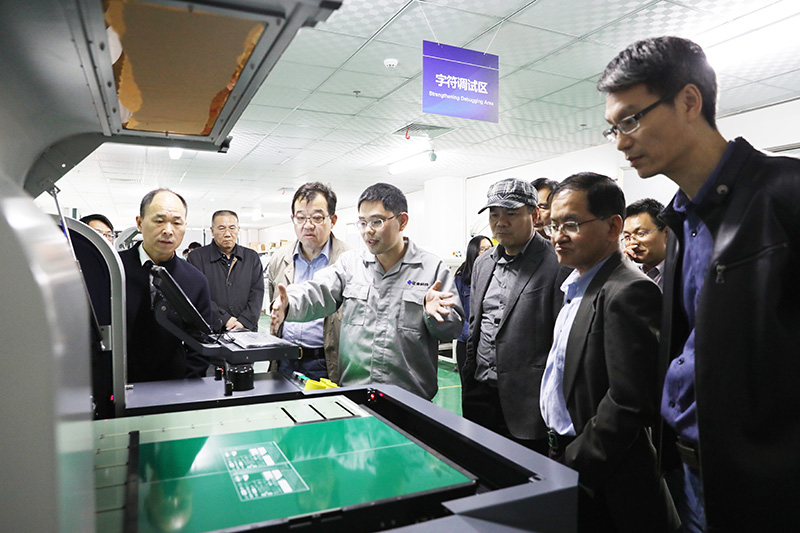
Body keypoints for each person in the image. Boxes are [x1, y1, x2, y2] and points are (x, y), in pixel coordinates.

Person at [598, 36, 800, 531]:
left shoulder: (785, 195)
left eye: (631, 120)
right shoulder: (682, 219)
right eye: (613, 129)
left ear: (689, 101)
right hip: (691, 468)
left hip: (769, 480)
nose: (621, 141)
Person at [541, 172, 678, 532]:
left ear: (613, 226)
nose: (557, 236)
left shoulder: (627, 290)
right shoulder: (579, 284)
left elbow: (630, 401)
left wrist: (576, 462)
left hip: (602, 472)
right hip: (566, 453)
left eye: (571, 224)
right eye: (553, 225)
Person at [270, 183, 463, 400]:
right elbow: (319, 290)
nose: (367, 230)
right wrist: (290, 303)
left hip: (410, 398)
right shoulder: (351, 264)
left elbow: (452, 330)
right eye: (362, 223)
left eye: (376, 222)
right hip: (355, 394)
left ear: (402, 221)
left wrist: (434, 315)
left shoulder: (431, 269)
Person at [461, 178, 567, 453]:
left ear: (534, 215)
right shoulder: (483, 263)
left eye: (511, 213)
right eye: (494, 215)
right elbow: (476, 326)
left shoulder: (556, 263)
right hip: (480, 393)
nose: (501, 222)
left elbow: (562, 341)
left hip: (528, 403)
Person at [119, 188, 213, 383]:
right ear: (139, 223)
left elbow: (201, 343)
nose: (168, 230)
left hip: (175, 386)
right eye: (159, 221)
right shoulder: (112, 269)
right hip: (118, 384)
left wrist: (187, 385)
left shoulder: (195, 280)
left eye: (177, 223)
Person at [267, 182, 349, 381]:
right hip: (284, 358)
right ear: (293, 219)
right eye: (301, 217)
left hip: (325, 362)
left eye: (317, 217)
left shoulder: (348, 260)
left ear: (333, 220)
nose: (308, 225)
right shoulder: (279, 258)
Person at [188, 210, 265, 332]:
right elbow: (197, 294)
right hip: (211, 331)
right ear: (212, 231)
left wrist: (244, 321)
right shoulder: (196, 258)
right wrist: (224, 319)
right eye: (222, 228)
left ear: (238, 229)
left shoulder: (251, 257)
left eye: (232, 228)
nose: (228, 234)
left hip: (245, 330)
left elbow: (257, 293)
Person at [452, 235, 492, 373]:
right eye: (483, 249)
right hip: (467, 343)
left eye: (490, 248)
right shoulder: (461, 279)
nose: (488, 252)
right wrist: (472, 335)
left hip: (489, 344)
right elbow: (455, 312)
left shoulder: (497, 276)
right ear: (473, 252)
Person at [622, 198, 668, 290]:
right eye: (627, 237)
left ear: (666, 233)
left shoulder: (683, 271)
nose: (632, 242)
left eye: (640, 233)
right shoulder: (628, 274)